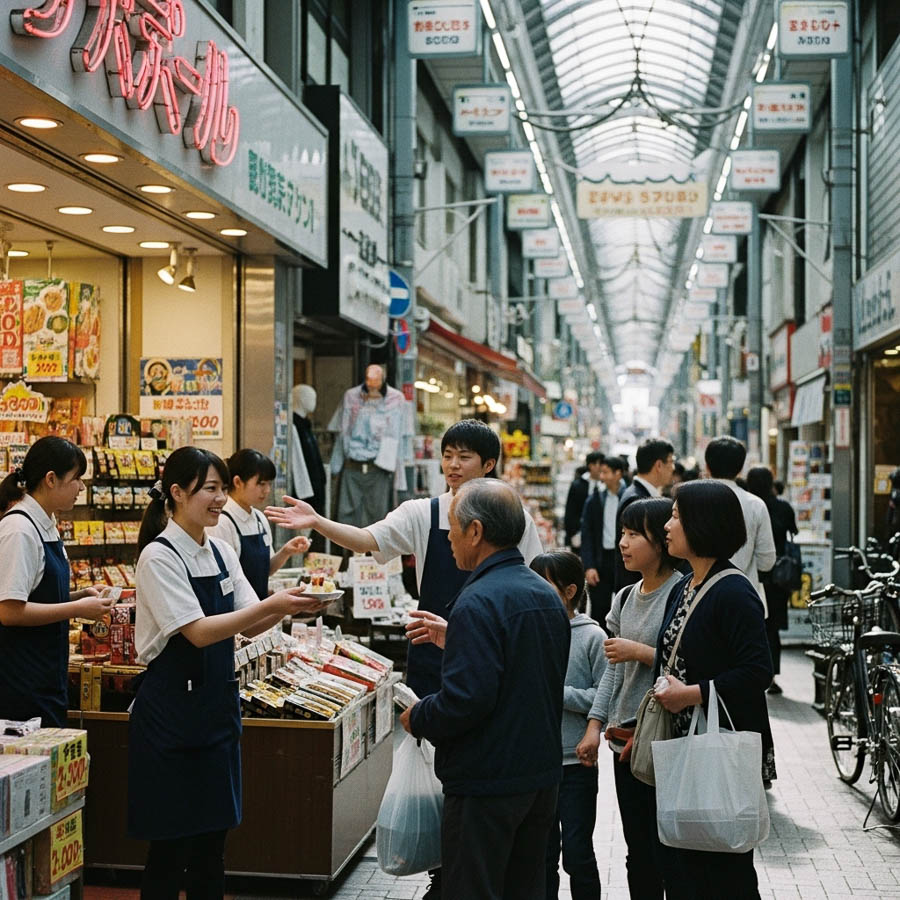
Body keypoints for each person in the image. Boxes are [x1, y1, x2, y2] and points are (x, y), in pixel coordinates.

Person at [267, 419, 543, 898]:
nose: (453, 466)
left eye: (465, 457)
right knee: (438, 777)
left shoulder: (510, 516)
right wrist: (318, 523)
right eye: (448, 455)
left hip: (487, 658)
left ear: (490, 464)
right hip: (433, 662)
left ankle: (463, 868)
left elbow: (531, 583)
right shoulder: (424, 512)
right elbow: (367, 538)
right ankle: (446, 866)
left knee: (475, 772)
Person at [127, 446, 329, 899]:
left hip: (215, 711)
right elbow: (197, 633)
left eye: (222, 489)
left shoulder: (219, 550)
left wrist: (291, 605)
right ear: (177, 493)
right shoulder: (158, 558)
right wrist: (275, 604)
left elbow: (250, 620)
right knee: (169, 848)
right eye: (210, 490)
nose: (220, 499)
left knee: (211, 847)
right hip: (170, 716)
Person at [398, 479, 570, 900]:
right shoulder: (545, 595)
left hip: (486, 783)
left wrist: (417, 715)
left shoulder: (478, 600)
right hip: (538, 779)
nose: (449, 538)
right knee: (524, 888)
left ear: (476, 531)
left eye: (453, 528)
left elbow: (465, 700)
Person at [655, 480, 773, 897]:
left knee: (724, 873)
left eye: (676, 516)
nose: (666, 526)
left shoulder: (734, 591)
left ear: (702, 524)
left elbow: (758, 671)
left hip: (720, 746)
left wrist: (692, 694)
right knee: (686, 869)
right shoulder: (687, 584)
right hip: (685, 745)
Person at [576, 498, 682, 900]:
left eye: (634, 533)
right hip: (622, 741)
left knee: (667, 846)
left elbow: (687, 665)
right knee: (637, 848)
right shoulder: (621, 598)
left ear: (661, 540)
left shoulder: (680, 593)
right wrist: (593, 726)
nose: (623, 542)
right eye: (622, 532)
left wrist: (638, 651)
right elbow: (612, 674)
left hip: (662, 737)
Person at [0, 436, 113, 727]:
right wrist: (75, 609)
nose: (81, 488)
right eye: (77, 479)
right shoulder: (19, 530)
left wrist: (79, 596)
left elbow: (38, 595)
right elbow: (10, 611)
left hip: (47, 677)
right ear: (51, 479)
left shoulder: (46, 524)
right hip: (21, 686)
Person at [530, 551, 606, 900]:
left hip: (576, 764)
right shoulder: (529, 629)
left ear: (570, 590)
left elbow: (603, 697)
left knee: (577, 853)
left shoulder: (592, 636)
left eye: (542, 585)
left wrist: (556, 693)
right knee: (541, 856)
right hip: (536, 765)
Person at [206, 449, 311, 599]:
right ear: (237, 482)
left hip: (260, 608)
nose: (267, 490)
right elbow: (224, 580)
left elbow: (265, 570)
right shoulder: (222, 521)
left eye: (269, 484)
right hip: (237, 612)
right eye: (261, 484)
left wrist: (286, 551)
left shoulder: (260, 518)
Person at [327, 363, 411, 528]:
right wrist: (335, 467)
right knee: (346, 516)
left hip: (380, 467)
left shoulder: (396, 399)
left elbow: (402, 437)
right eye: (369, 380)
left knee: (378, 518)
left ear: (383, 380)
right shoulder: (351, 396)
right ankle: (347, 552)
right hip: (352, 464)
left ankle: (373, 552)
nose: (372, 385)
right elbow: (342, 432)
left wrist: (400, 473)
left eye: (376, 380)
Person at [704, 437, 776, 606]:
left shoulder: (689, 501)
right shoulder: (755, 504)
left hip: (700, 599)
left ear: (707, 465)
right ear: (741, 468)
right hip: (746, 597)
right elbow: (767, 562)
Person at [745, 465, 798, 695]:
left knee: (750, 628)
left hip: (752, 575)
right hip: (778, 577)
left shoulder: (746, 506)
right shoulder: (782, 507)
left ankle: (750, 673)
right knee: (772, 628)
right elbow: (793, 532)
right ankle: (772, 677)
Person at [613, 438, 676, 591]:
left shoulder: (638, 494)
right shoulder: (638, 500)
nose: (673, 468)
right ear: (659, 465)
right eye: (670, 461)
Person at [581, 455, 626, 623]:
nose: (602, 476)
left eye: (606, 472)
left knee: (624, 606)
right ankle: (600, 645)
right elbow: (587, 534)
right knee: (599, 608)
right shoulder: (595, 499)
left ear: (618, 474)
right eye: (601, 472)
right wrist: (589, 565)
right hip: (601, 559)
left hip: (622, 557)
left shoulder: (628, 497)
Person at [563, 452, 605, 548]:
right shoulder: (578, 485)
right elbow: (570, 511)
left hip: (600, 535)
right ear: (591, 465)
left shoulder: (605, 485)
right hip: (580, 532)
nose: (602, 468)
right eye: (600, 464)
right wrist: (572, 533)